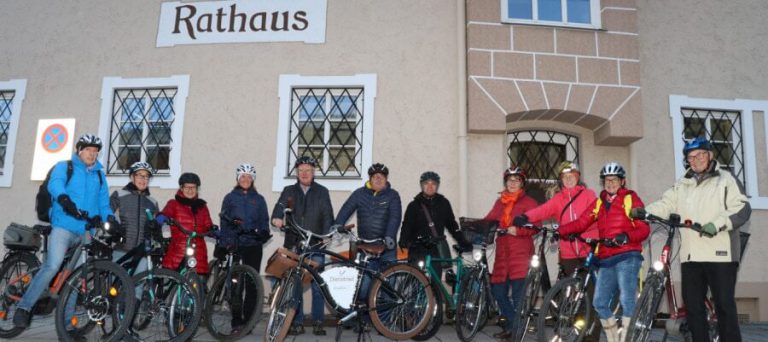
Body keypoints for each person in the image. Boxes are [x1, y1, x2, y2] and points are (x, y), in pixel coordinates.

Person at [641, 137, 751, 342]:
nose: (695, 160)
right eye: (690, 157)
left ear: (710, 155)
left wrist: (717, 224)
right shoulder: (683, 184)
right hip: (691, 255)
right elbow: (667, 204)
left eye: (700, 154)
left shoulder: (726, 179)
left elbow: (742, 208)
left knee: (724, 306)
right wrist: (645, 212)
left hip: (721, 254)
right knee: (693, 309)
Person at [14, 134, 116, 328]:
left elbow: (103, 203)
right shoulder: (65, 166)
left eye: (95, 151)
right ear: (79, 150)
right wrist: (64, 199)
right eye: (88, 150)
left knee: (76, 277)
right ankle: (24, 307)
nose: (92, 154)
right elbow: (55, 184)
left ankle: (68, 327)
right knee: (53, 265)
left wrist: (109, 218)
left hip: (87, 230)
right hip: (64, 225)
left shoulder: (99, 175)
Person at [558, 162, 650, 342]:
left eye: (614, 180)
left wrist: (626, 236)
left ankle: (628, 338)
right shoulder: (600, 202)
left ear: (622, 181)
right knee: (599, 302)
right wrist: (560, 230)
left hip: (627, 255)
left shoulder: (630, 199)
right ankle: (615, 338)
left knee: (626, 301)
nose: (610, 183)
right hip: (607, 258)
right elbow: (582, 222)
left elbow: (644, 229)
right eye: (607, 180)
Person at [513, 161, 601, 342]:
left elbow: (595, 216)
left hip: (588, 249)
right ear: (561, 180)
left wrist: (583, 232)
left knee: (591, 296)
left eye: (572, 176)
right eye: (565, 177)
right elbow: (542, 210)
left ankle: (590, 336)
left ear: (577, 177)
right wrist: (525, 217)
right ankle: (573, 324)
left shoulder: (588, 195)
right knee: (572, 296)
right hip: (568, 252)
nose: (569, 179)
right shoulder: (558, 199)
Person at [271, 156, 334, 336]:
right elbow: (280, 207)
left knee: (317, 284)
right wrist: (276, 218)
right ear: (297, 173)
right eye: (301, 171)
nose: (304, 173)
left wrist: (327, 234)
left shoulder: (322, 191)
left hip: (315, 244)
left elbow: (327, 214)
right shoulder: (288, 190)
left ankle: (318, 322)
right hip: (294, 243)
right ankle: (296, 322)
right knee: (295, 284)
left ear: (313, 172)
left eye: (308, 170)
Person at [483, 166, 539, 339]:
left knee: (517, 296)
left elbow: (536, 226)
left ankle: (514, 329)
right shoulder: (500, 202)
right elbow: (490, 220)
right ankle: (514, 325)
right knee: (498, 292)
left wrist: (518, 230)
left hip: (520, 254)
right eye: (510, 180)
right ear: (505, 182)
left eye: (516, 180)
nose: (513, 183)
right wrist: (476, 226)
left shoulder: (529, 202)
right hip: (502, 254)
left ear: (522, 183)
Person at [219, 163, 270, 334]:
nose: (246, 179)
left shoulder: (259, 199)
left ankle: (248, 321)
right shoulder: (230, 198)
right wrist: (226, 242)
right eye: (243, 176)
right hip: (236, 245)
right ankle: (236, 321)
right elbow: (224, 223)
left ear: (253, 180)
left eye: (249, 177)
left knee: (252, 284)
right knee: (236, 285)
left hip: (253, 246)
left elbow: (264, 220)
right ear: (238, 178)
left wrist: (263, 233)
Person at [399, 171, 472, 280]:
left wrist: (463, 241)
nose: (430, 186)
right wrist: (404, 241)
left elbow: (452, 225)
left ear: (437, 186)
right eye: (426, 183)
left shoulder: (443, 203)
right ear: (421, 185)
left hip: (436, 250)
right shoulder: (414, 205)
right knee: (416, 281)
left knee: (435, 283)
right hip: (418, 249)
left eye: (433, 183)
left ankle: (435, 297)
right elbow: (406, 226)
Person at [334, 163, 402, 264]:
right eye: (375, 177)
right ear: (370, 179)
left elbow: (395, 217)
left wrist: (390, 236)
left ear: (386, 179)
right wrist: (338, 224)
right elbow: (346, 209)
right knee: (365, 278)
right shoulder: (359, 194)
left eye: (381, 177)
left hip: (386, 246)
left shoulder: (393, 195)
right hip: (365, 246)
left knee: (388, 277)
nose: (378, 179)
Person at [109, 161, 160, 276]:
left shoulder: (152, 202)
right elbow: (107, 215)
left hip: (141, 253)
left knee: (137, 288)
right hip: (121, 249)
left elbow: (156, 229)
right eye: (140, 175)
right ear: (132, 176)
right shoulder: (119, 194)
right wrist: (115, 230)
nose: (143, 179)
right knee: (114, 285)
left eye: (147, 176)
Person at [160, 172, 214, 276]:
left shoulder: (202, 206)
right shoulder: (173, 204)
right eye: (187, 187)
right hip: (178, 252)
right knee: (172, 285)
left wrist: (214, 231)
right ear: (181, 188)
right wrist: (162, 218)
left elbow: (208, 224)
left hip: (198, 253)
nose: (190, 190)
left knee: (196, 287)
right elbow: (165, 214)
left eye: (193, 187)